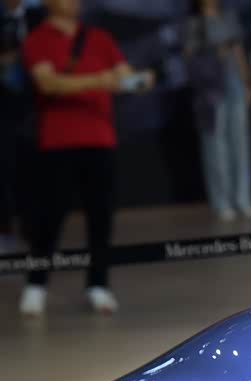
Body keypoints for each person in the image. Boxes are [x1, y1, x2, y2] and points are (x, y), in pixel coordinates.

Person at [19, 0, 153, 317]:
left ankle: (98, 284)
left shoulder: (100, 38)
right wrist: (100, 80)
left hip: (100, 139)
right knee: (48, 220)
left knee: (101, 218)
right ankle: (36, 285)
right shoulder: (38, 39)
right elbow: (48, 83)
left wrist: (141, 80)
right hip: (57, 142)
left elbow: (124, 78)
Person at [184, 0, 251, 223]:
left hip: (234, 85)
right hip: (210, 91)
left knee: (240, 144)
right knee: (216, 147)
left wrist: (247, 83)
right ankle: (222, 202)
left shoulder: (229, 17)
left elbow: (239, 52)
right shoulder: (194, 24)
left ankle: (243, 198)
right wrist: (214, 53)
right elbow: (189, 58)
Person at [0, 0, 45, 246]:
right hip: (2, 106)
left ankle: (33, 228)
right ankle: (4, 228)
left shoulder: (41, 16)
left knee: (34, 168)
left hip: (36, 105)